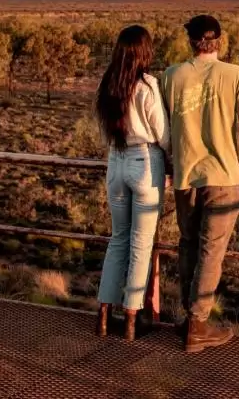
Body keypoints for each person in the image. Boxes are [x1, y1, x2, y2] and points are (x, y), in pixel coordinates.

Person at [161, 15, 239, 353]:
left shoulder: (172, 75)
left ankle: (190, 321)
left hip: (186, 176)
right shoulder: (236, 75)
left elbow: (164, 129)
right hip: (223, 177)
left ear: (190, 41)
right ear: (219, 40)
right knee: (211, 252)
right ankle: (198, 326)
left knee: (188, 245)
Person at [93, 25, 170, 341]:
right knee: (141, 243)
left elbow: (104, 132)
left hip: (115, 162)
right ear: (144, 52)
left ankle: (102, 314)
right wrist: (174, 162)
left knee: (118, 239)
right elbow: (163, 134)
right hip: (144, 163)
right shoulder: (147, 86)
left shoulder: (107, 84)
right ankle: (132, 319)